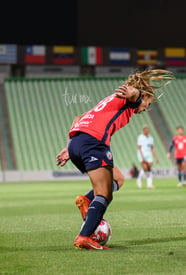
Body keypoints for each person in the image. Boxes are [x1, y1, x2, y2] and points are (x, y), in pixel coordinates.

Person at [56, 69, 174, 250]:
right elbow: (135, 95)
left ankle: (86, 201)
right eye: (148, 103)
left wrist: (69, 146)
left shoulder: (110, 99)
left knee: (118, 179)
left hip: (76, 143)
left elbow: (78, 118)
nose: (146, 108)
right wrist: (135, 94)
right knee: (104, 194)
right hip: (93, 143)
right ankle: (84, 237)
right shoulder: (131, 98)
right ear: (146, 95)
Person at [136, 125, 158, 189]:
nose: (146, 130)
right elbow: (139, 148)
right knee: (145, 168)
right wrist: (142, 157)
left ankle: (149, 184)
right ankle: (139, 180)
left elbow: (152, 148)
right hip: (142, 154)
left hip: (149, 155)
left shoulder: (151, 138)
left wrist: (155, 158)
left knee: (149, 168)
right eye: (145, 129)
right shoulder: (140, 137)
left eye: (147, 129)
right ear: (143, 130)